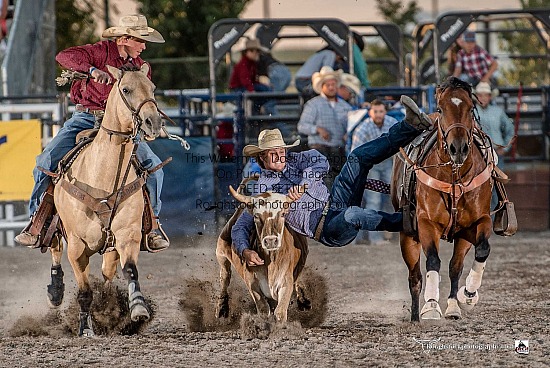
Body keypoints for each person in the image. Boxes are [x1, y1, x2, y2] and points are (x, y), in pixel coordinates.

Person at [14, 14, 170, 251]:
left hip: (122, 127)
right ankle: (37, 222)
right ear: (126, 38)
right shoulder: (99, 52)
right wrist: (92, 69)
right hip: (85, 118)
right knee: (45, 162)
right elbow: (63, 57)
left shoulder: (141, 69)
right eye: (141, 40)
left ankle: (152, 227)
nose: (144, 46)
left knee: (154, 168)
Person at [231, 96, 432, 266]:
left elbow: (321, 161)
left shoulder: (296, 159)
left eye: (281, 151)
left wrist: (304, 183)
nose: (279, 156)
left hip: (335, 199)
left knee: (357, 157)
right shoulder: (264, 191)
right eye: (271, 153)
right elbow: (240, 226)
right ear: (261, 159)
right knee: (353, 214)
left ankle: (410, 127)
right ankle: (410, 222)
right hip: (328, 229)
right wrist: (244, 251)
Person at [350, 99, 398, 245]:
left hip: (390, 162)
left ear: (385, 112)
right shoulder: (363, 128)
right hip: (372, 166)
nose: (378, 114)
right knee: (374, 200)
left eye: (381, 111)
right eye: (375, 111)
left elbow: (402, 142)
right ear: (370, 112)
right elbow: (356, 153)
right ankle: (374, 238)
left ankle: (393, 232)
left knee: (394, 196)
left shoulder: (391, 123)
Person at [297, 66, 352, 189]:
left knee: (338, 182)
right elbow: (302, 126)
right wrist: (317, 129)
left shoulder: (345, 106)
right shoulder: (313, 104)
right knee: (324, 183)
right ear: (322, 86)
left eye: (333, 84)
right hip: (319, 150)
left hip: (338, 150)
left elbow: (350, 126)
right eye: (328, 85)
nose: (332, 87)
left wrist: (348, 133)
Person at [474, 82, 514, 211]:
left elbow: (510, 129)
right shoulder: (471, 111)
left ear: (490, 97)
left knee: (496, 187)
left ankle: (494, 217)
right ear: (477, 97)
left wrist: (505, 148)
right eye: (480, 95)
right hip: (478, 154)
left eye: (486, 95)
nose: (483, 98)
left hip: (496, 154)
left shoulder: (498, 112)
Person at [228, 38, 276, 116]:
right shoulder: (244, 64)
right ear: (248, 52)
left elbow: (251, 80)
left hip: (244, 88)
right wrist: (251, 90)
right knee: (263, 92)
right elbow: (245, 80)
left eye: (257, 51)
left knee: (266, 90)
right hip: (238, 89)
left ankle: (258, 110)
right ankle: (258, 112)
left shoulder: (250, 64)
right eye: (254, 51)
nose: (257, 53)